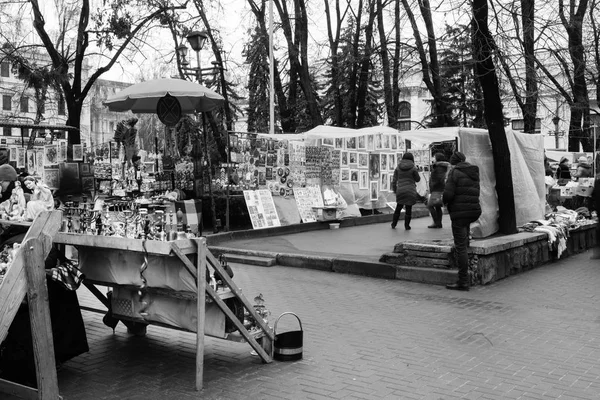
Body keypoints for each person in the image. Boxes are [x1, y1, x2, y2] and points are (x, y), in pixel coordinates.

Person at [443, 152, 482, 291]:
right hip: (473, 211)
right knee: (464, 240)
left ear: (453, 162)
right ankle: (466, 241)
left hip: (460, 213)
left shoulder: (454, 173)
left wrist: (443, 201)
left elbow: (448, 194)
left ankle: (463, 281)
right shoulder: (473, 171)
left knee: (461, 248)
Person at [391, 152, 420, 230]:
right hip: (410, 190)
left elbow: (394, 180)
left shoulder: (398, 167)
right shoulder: (413, 168)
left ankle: (394, 224)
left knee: (398, 207)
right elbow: (418, 179)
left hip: (400, 190)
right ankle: (407, 226)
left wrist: (395, 190)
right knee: (408, 208)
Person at [427, 153, 450, 228]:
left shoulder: (439, 167)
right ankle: (438, 223)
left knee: (430, 205)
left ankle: (436, 222)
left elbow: (440, 178)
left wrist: (433, 184)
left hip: (437, 189)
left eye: (434, 157)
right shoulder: (440, 167)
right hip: (438, 189)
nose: (433, 158)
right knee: (437, 206)